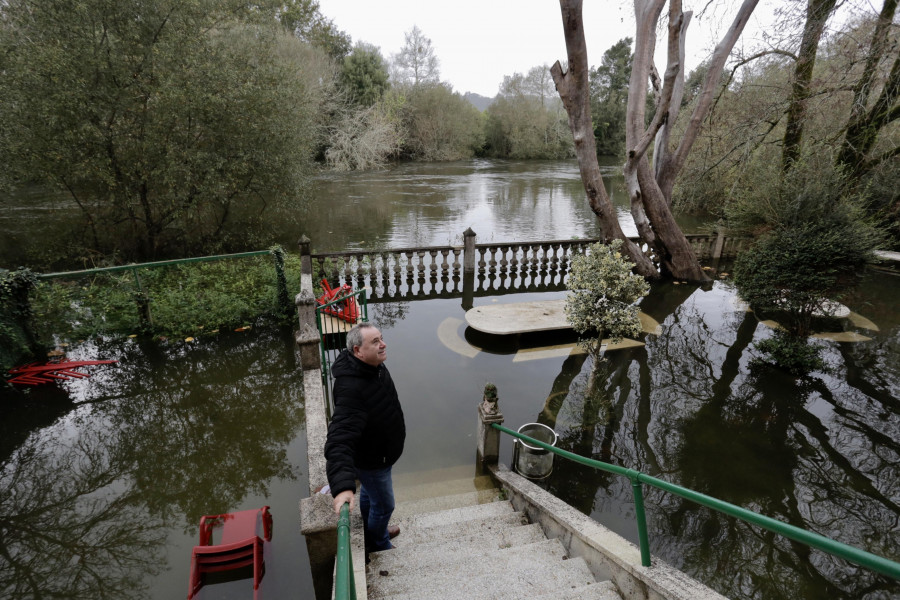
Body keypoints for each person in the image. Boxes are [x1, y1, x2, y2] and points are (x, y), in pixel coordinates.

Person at [324, 322, 405, 554]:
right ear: (358, 350)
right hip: (372, 459)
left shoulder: (373, 365)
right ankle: (379, 542)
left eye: (381, 338)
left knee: (370, 495)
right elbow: (339, 438)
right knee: (385, 504)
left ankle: (373, 532)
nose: (383, 344)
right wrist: (342, 486)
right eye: (375, 342)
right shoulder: (352, 388)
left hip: (378, 454)